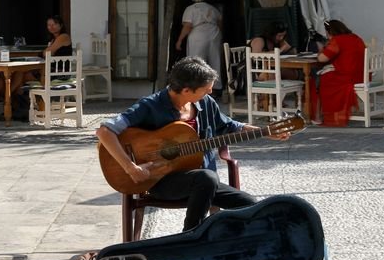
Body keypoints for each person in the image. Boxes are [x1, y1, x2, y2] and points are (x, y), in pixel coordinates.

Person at [96, 56, 290, 232]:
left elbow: (231, 126)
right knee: (206, 178)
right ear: (187, 90)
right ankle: (190, 236)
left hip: (203, 182)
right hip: (160, 181)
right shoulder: (150, 106)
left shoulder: (206, 104)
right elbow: (104, 131)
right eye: (206, 89)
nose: (210, 92)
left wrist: (265, 133)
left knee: (250, 204)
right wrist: (130, 167)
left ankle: (225, 241)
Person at [310, 19, 367, 127]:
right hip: (361, 75)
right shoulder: (355, 37)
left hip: (347, 77)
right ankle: (323, 115)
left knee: (317, 80)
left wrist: (322, 49)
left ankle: (318, 116)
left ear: (330, 32)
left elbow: (322, 59)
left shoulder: (337, 40)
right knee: (323, 77)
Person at [175, 0, 224, 94]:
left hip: (198, 34)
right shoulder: (212, 8)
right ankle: (214, 88)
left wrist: (179, 40)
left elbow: (188, 26)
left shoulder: (190, 9)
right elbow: (220, 23)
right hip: (214, 33)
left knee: (197, 61)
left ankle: (197, 87)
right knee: (215, 60)